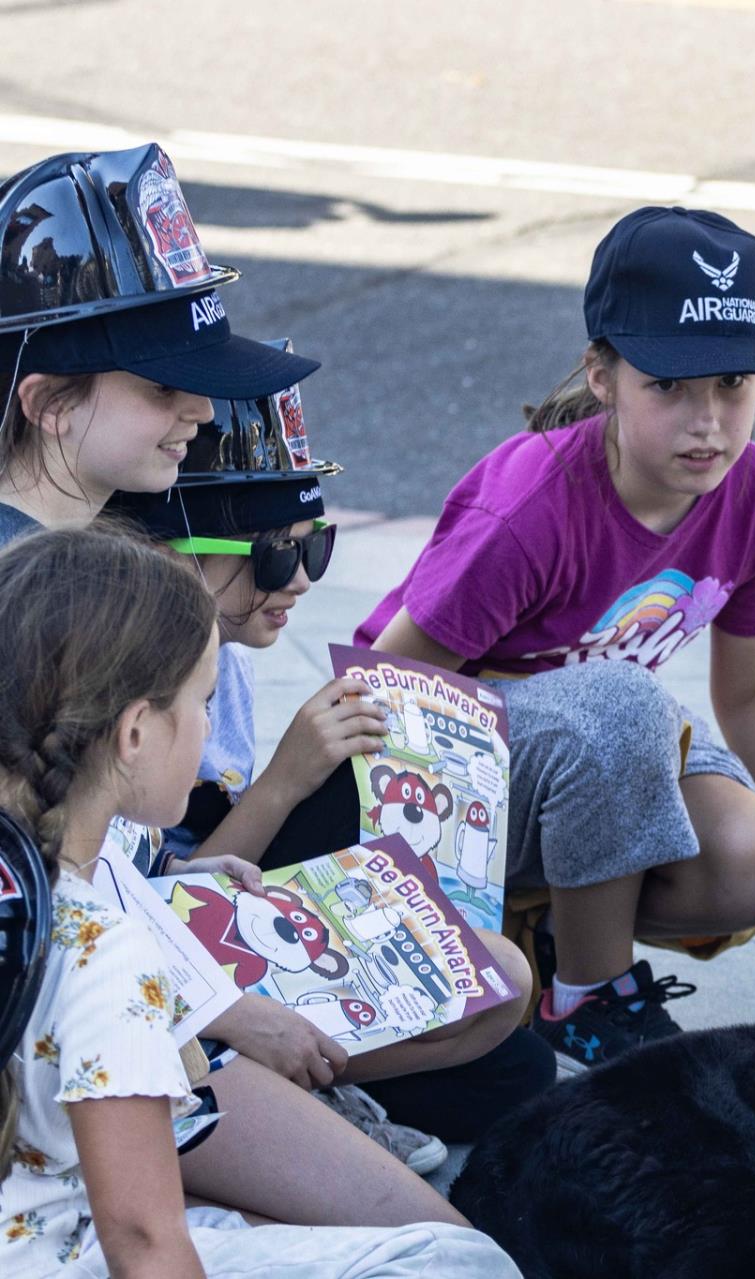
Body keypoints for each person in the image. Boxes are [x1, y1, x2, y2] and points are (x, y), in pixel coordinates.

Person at [356, 207, 755, 1072]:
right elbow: (391, 690)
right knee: (619, 700)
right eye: (669, 386)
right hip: (449, 774)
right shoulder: (529, 507)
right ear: (602, 376)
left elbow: (750, 693)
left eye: (734, 385)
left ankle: (555, 934)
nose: (708, 422)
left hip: (592, 758)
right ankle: (589, 999)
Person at [0, 526, 516, 1278]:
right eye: (204, 700)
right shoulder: (109, 957)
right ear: (136, 731)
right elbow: (145, 1243)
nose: (212, 726)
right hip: (60, 1255)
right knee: (463, 1259)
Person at [108, 388, 548, 1168]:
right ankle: (284, 1079)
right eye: (279, 555)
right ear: (176, 551)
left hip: (213, 923)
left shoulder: (227, 661)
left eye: (319, 547)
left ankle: (306, 1082)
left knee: (516, 1052)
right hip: (163, 967)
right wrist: (285, 779)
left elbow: (191, 869)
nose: (305, 580)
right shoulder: (137, 682)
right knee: (503, 1020)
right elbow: (147, 893)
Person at [0, 144, 316, 546]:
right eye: (163, 386)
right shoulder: (38, 595)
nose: (203, 411)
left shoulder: (49, 570)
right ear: (50, 404)